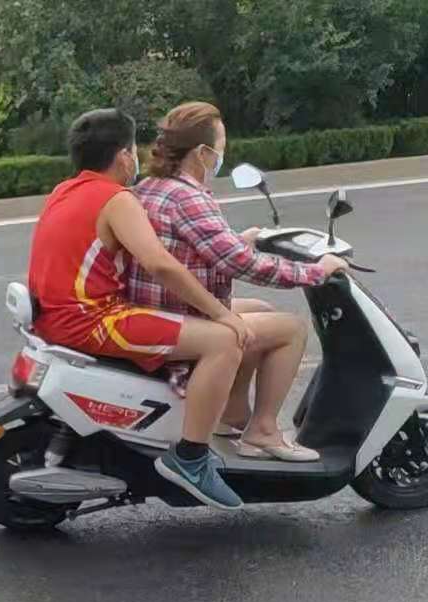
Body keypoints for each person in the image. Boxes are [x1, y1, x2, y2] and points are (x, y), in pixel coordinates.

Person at [27, 109, 253, 509]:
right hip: (93, 320)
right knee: (224, 341)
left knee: (245, 313)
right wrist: (221, 314)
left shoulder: (65, 189)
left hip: (57, 318)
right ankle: (191, 458)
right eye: (134, 150)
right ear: (123, 156)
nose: (137, 158)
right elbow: (160, 264)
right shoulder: (115, 198)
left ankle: (211, 421)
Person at [127, 101, 349, 461]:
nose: (222, 155)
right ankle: (263, 430)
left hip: (159, 306)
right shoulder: (188, 196)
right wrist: (317, 272)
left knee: (261, 309)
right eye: (221, 146)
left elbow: (194, 246)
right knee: (291, 329)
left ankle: (231, 414)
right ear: (202, 152)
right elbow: (242, 265)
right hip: (177, 318)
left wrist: (240, 240)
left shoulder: (152, 186)